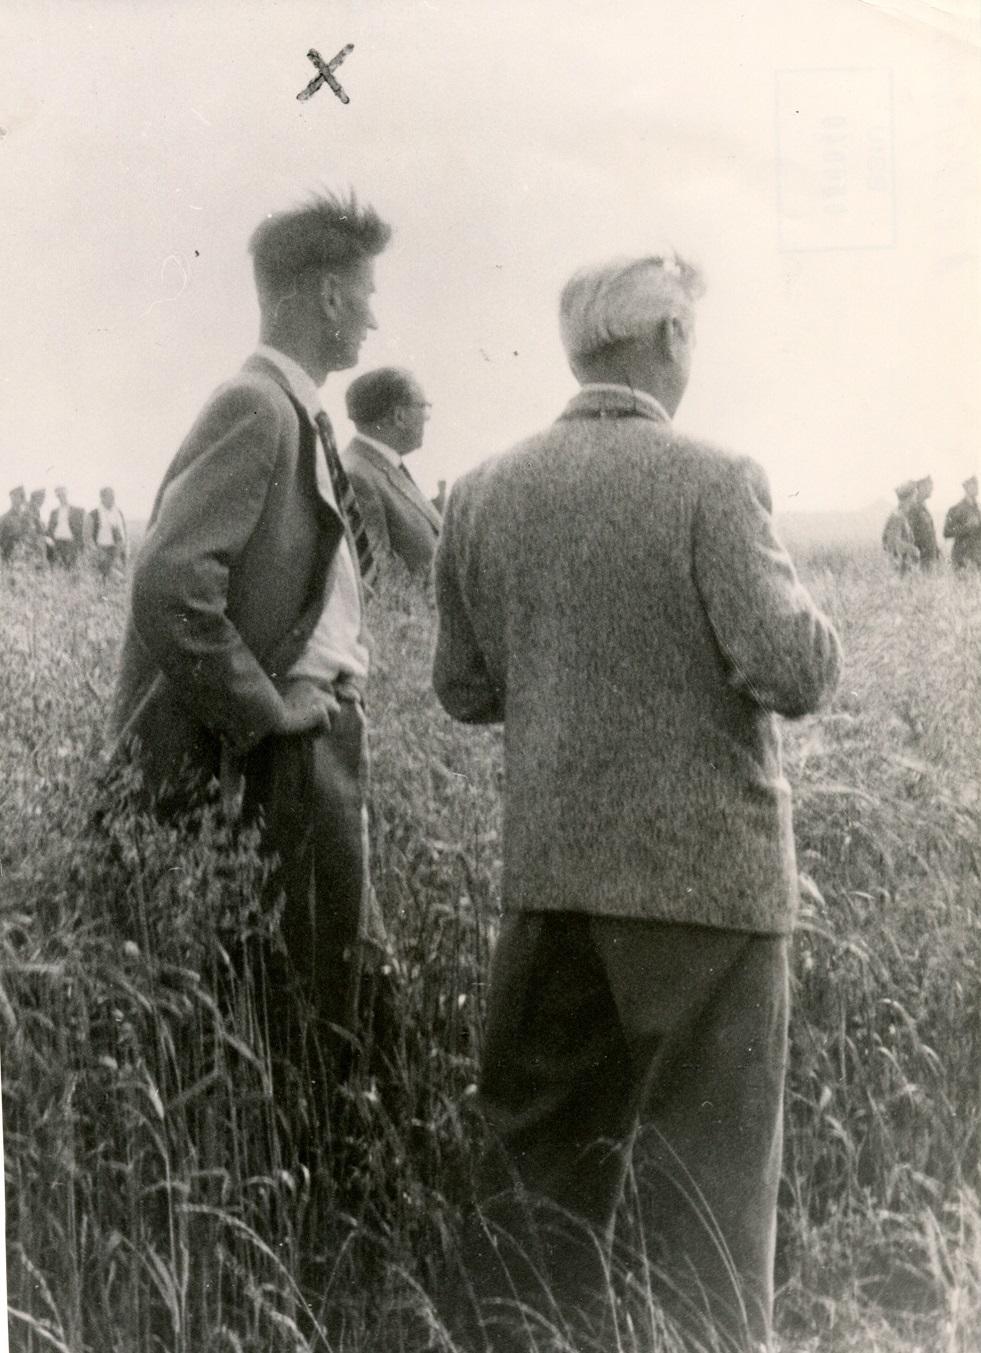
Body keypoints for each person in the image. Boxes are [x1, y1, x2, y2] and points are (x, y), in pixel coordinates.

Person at [433, 253, 843, 1353]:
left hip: (548, 888)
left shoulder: (482, 490)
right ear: (667, 339)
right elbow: (793, 669)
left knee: (535, 1208)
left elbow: (462, 688)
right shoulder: (715, 479)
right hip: (705, 898)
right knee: (705, 1221)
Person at [110, 190, 394, 1080]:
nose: (374, 316)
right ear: (329, 296)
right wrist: (266, 710)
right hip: (284, 753)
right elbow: (170, 582)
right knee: (303, 1012)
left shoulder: (291, 412)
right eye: (366, 293)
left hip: (312, 743)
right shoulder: (258, 407)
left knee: (335, 988)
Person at [341, 366, 442, 579]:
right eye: (423, 407)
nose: (427, 417)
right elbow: (376, 581)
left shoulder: (378, 468)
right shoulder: (358, 476)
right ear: (399, 416)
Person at [943, 474, 981, 571]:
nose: (976, 488)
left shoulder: (977, 510)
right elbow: (947, 532)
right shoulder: (956, 509)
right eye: (973, 485)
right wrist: (966, 527)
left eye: (976, 484)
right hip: (962, 558)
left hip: (976, 558)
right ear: (966, 487)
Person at [89, 486, 128, 578]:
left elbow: (124, 532)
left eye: (113, 496)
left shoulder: (118, 512)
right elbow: (87, 537)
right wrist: (96, 552)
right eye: (110, 496)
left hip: (118, 550)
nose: (113, 499)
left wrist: (124, 548)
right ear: (102, 498)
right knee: (105, 576)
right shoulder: (94, 514)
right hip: (102, 550)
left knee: (121, 576)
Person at [882, 481, 920, 573]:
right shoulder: (897, 516)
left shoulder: (901, 515)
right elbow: (892, 543)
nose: (916, 499)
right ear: (909, 497)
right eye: (914, 495)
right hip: (899, 568)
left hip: (903, 566)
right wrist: (913, 550)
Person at [48, 485, 86, 569]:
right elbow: (50, 528)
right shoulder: (54, 512)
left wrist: (80, 543)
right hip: (58, 541)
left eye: (63, 495)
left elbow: (82, 528)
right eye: (59, 496)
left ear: (66, 495)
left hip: (71, 542)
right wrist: (51, 540)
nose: (61, 497)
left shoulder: (77, 511)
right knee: (58, 566)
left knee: (71, 566)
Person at [908, 475, 941, 569]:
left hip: (928, 560)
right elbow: (910, 535)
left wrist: (936, 551)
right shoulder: (914, 507)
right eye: (930, 485)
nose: (932, 488)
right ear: (922, 486)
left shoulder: (923, 507)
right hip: (920, 561)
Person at [0, 485, 30, 562]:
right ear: (12, 498)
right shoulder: (5, 518)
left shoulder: (27, 517)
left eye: (23, 496)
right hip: (10, 556)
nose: (22, 499)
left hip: (26, 557)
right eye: (20, 496)